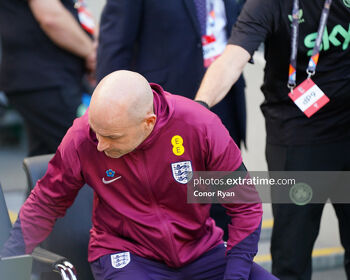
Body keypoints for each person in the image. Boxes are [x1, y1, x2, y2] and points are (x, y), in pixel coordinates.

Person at [1, 71, 277, 280]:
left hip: (200, 251)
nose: (100, 145)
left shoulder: (199, 126)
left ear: (148, 122)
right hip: (128, 256)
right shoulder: (81, 138)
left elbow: (245, 206)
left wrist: (236, 275)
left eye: (112, 136)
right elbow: (45, 203)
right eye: (95, 132)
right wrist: (8, 264)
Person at [194, 0, 350, 279]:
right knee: (292, 253)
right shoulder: (267, 4)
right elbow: (232, 59)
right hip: (297, 138)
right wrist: (198, 109)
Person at [97, 0, 246, 240]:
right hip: (164, 112)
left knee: (223, 205)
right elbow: (115, 46)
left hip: (224, 103)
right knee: (171, 211)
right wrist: (111, 115)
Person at [0, 0, 97, 156]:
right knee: (87, 152)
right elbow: (51, 18)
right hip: (46, 80)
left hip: (43, 79)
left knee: (47, 160)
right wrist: (92, 54)